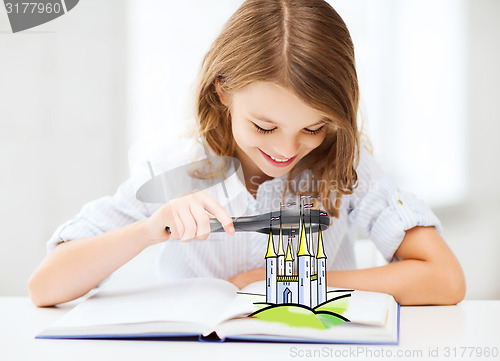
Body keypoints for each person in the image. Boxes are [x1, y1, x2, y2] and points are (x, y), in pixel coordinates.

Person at [28, 0, 465, 307]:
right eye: (264, 126)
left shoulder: (344, 168)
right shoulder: (178, 168)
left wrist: (288, 287)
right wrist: (148, 231)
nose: (285, 149)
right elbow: (45, 287)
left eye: (313, 128)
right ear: (223, 90)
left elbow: (444, 278)